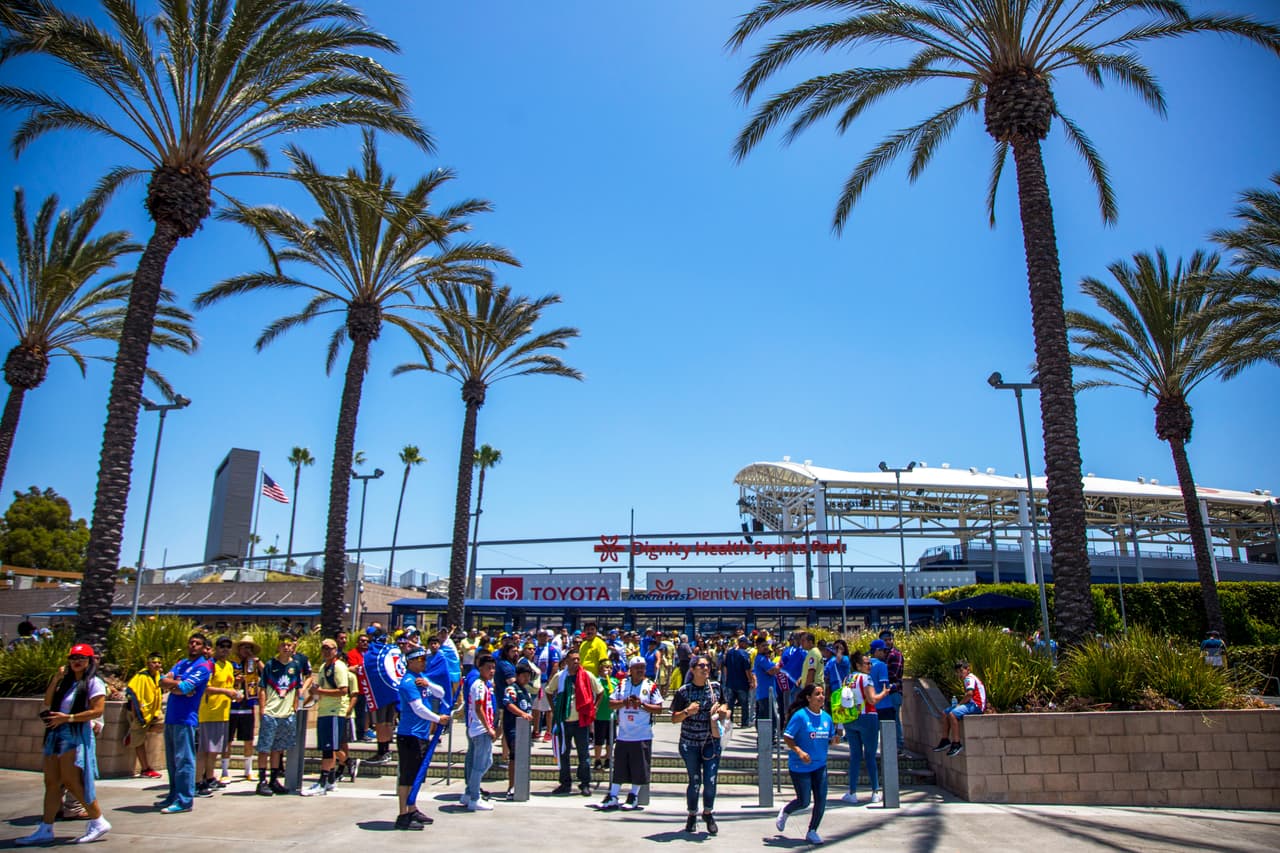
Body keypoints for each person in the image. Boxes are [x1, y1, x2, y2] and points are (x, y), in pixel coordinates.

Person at [16, 643, 110, 846]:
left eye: (82, 658)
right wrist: (56, 679)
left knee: (71, 781)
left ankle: (98, 820)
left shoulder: (94, 683)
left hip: (74, 734)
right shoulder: (66, 683)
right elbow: (48, 702)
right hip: (55, 734)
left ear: (90, 661)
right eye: (73, 658)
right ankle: (45, 828)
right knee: (51, 782)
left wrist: (68, 717)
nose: (76, 662)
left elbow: (97, 711)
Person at [669, 653, 729, 836]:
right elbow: (674, 718)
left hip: (711, 741)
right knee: (695, 781)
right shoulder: (684, 691)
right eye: (701, 666)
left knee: (710, 780)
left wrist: (722, 710)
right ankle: (692, 814)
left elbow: (726, 706)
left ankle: (708, 812)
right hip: (690, 742)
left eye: (707, 666)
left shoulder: (716, 688)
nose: (705, 669)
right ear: (693, 669)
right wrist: (688, 711)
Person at [776, 683, 840, 845]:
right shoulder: (800, 716)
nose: (821, 697)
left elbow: (829, 739)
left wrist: (834, 740)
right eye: (817, 694)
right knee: (804, 801)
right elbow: (788, 737)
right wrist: (799, 752)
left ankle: (812, 831)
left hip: (820, 765)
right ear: (808, 698)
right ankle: (786, 811)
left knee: (821, 800)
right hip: (800, 766)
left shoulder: (827, 718)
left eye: (822, 694)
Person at [158, 633, 214, 813]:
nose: (193, 646)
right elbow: (161, 681)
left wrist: (175, 685)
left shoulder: (203, 667)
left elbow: (184, 688)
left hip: (186, 719)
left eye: (198, 644)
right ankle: (173, 795)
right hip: (171, 718)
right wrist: (176, 684)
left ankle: (184, 800)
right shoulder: (181, 663)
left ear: (204, 648)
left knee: (184, 761)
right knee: (172, 761)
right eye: (191, 643)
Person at [600, 656, 663, 811]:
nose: (640, 670)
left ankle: (633, 795)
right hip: (623, 734)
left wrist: (641, 704)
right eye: (637, 667)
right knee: (620, 767)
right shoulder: (622, 684)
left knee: (639, 767)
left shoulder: (651, 686)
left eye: (642, 667)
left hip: (642, 734)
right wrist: (625, 702)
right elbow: (611, 703)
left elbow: (659, 708)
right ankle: (613, 795)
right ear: (631, 669)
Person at [394, 647, 443, 829]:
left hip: (421, 734)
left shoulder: (422, 678)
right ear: (411, 662)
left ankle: (412, 808)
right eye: (421, 660)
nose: (424, 662)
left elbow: (441, 693)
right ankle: (403, 814)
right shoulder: (408, 682)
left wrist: (428, 684)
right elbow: (418, 708)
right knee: (407, 777)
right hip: (410, 735)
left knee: (416, 776)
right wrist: (438, 719)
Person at [546, 648, 603, 796]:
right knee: (564, 753)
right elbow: (548, 691)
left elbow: (600, 691)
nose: (576, 661)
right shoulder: (560, 676)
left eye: (578, 659)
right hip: (564, 721)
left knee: (583, 754)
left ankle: (584, 783)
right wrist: (554, 709)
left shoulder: (587, 676)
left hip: (581, 721)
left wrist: (594, 708)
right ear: (566, 661)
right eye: (573, 659)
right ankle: (565, 783)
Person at [256, 634, 304, 795]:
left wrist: (294, 708)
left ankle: (274, 779)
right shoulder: (270, 665)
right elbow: (262, 688)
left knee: (278, 748)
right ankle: (262, 780)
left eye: (289, 645)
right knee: (265, 748)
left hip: (286, 714)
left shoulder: (296, 666)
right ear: (278, 647)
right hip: (271, 712)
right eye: (283, 644)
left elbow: (298, 689)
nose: (286, 647)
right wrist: (262, 709)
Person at [301, 638, 351, 796]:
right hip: (323, 711)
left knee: (329, 749)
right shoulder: (323, 667)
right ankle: (330, 780)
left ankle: (322, 782)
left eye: (330, 648)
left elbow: (343, 690)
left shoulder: (339, 667)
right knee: (326, 747)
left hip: (335, 712)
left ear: (336, 650)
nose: (326, 651)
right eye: (324, 648)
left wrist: (320, 692)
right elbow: (319, 690)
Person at [842, 650, 889, 805]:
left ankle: (852, 791)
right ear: (858, 665)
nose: (870, 665)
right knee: (870, 755)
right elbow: (872, 699)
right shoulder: (866, 678)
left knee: (855, 755)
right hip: (867, 716)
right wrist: (884, 693)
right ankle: (875, 791)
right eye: (867, 663)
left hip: (850, 718)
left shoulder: (847, 679)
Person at [196, 636, 237, 796]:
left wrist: (233, 692)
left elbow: (229, 685)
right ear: (215, 648)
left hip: (223, 713)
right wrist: (226, 692)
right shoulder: (209, 665)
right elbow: (204, 688)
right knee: (203, 750)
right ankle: (197, 781)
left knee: (214, 750)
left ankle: (210, 777)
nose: (225, 649)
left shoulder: (228, 666)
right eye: (221, 646)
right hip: (208, 712)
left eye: (228, 646)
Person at [463, 654, 497, 811]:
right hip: (480, 730)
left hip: (481, 729)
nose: (492, 671)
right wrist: (488, 728)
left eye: (493, 668)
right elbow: (478, 708)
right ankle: (474, 797)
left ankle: (470, 792)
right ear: (480, 668)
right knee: (479, 764)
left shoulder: (486, 684)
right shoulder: (479, 685)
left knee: (486, 761)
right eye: (488, 668)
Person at [124, 652, 165, 778]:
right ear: (148, 663)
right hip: (140, 713)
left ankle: (132, 734)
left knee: (164, 724)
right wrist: (137, 715)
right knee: (139, 742)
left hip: (153, 713)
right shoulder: (141, 677)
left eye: (158, 662)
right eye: (154, 662)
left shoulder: (158, 676)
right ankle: (145, 768)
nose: (156, 665)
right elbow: (133, 695)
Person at [934, 659, 986, 757]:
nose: (960, 674)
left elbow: (969, 694)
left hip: (976, 706)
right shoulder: (968, 678)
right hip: (971, 704)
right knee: (945, 713)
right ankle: (945, 740)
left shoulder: (969, 678)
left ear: (968, 670)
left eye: (961, 671)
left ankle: (956, 743)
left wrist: (959, 705)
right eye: (957, 673)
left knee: (952, 714)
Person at [229, 634, 262, 780]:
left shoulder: (253, 663)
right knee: (228, 739)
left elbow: (267, 673)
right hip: (232, 705)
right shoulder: (231, 663)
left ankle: (248, 770)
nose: (246, 650)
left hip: (248, 705)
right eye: (244, 647)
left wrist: (256, 660)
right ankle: (224, 771)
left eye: (249, 647)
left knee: (248, 739)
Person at [501, 661, 535, 799]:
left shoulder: (526, 691)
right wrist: (522, 714)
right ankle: (511, 786)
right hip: (514, 728)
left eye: (528, 676)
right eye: (524, 675)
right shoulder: (512, 688)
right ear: (518, 675)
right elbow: (508, 704)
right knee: (514, 757)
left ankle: (521, 785)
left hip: (525, 730)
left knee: (522, 757)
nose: (526, 678)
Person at [879, 630, 906, 756]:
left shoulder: (894, 654)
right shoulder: (883, 655)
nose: (888, 641)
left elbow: (893, 675)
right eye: (885, 640)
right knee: (889, 720)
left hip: (894, 692)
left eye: (889, 639)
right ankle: (891, 745)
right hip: (887, 693)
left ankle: (899, 746)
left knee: (894, 719)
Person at [722, 635, 754, 728]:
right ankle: (744, 723)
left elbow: (725, 668)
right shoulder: (744, 654)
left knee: (730, 704)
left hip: (731, 682)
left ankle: (729, 723)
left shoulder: (729, 653)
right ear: (741, 643)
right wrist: (750, 681)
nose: (747, 645)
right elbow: (747, 670)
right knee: (744, 704)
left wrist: (727, 679)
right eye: (746, 643)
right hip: (742, 683)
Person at [534, 633, 561, 742]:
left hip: (546, 681)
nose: (542, 637)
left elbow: (555, 664)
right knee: (535, 707)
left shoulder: (551, 649)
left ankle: (548, 731)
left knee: (548, 708)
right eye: (540, 635)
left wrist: (551, 680)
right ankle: (536, 730)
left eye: (544, 636)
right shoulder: (534, 649)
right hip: (535, 682)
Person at [593, 657, 617, 771]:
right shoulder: (596, 681)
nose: (609, 670)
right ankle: (597, 759)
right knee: (598, 739)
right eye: (606, 667)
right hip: (599, 715)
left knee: (610, 739)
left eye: (611, 668)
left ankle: (608, 758)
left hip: (611, 715)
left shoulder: (615, 681)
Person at [753, 635, 780, 733]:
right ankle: (766, 739)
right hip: (765, 693)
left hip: (770, 692)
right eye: (763, 646)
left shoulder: (766, 658)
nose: (766, 647)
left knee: (771, 716)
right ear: (758, 647)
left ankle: (769, 739)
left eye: (766, 645)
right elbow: (772, 671)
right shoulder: (761, 659)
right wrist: (781, 664)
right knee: (767, 717)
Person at [347, 632, 371, 741]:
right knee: (356, 712)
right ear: (357, 642)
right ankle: (353, 734)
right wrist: (363, 668)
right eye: (362, 641)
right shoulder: (352, 653)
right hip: (356, 688)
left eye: (367, 641)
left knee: (364, 713)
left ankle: (363, 733)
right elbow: (352, 668)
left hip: (368, 689)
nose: (365, 643)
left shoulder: (370, 653)